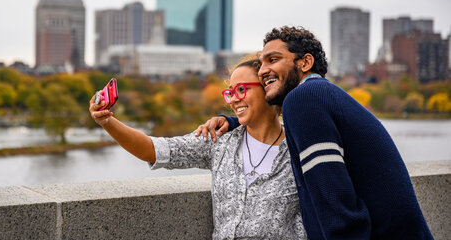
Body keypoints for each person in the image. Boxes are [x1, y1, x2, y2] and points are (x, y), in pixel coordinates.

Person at [196, 26, 433, 239]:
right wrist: (235, 122)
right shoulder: (319, 96)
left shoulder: (303, 99)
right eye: (261, 62)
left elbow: (337, 206)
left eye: (273, 59)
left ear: (305, 63)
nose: (262, 70)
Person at [89, 57, 307, 240]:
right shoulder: (219, 141)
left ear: (268, 88)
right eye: (230, 92)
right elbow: (154, 149)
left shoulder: (301, 147)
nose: (234, 99)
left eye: (241, 89)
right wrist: (107, 122)